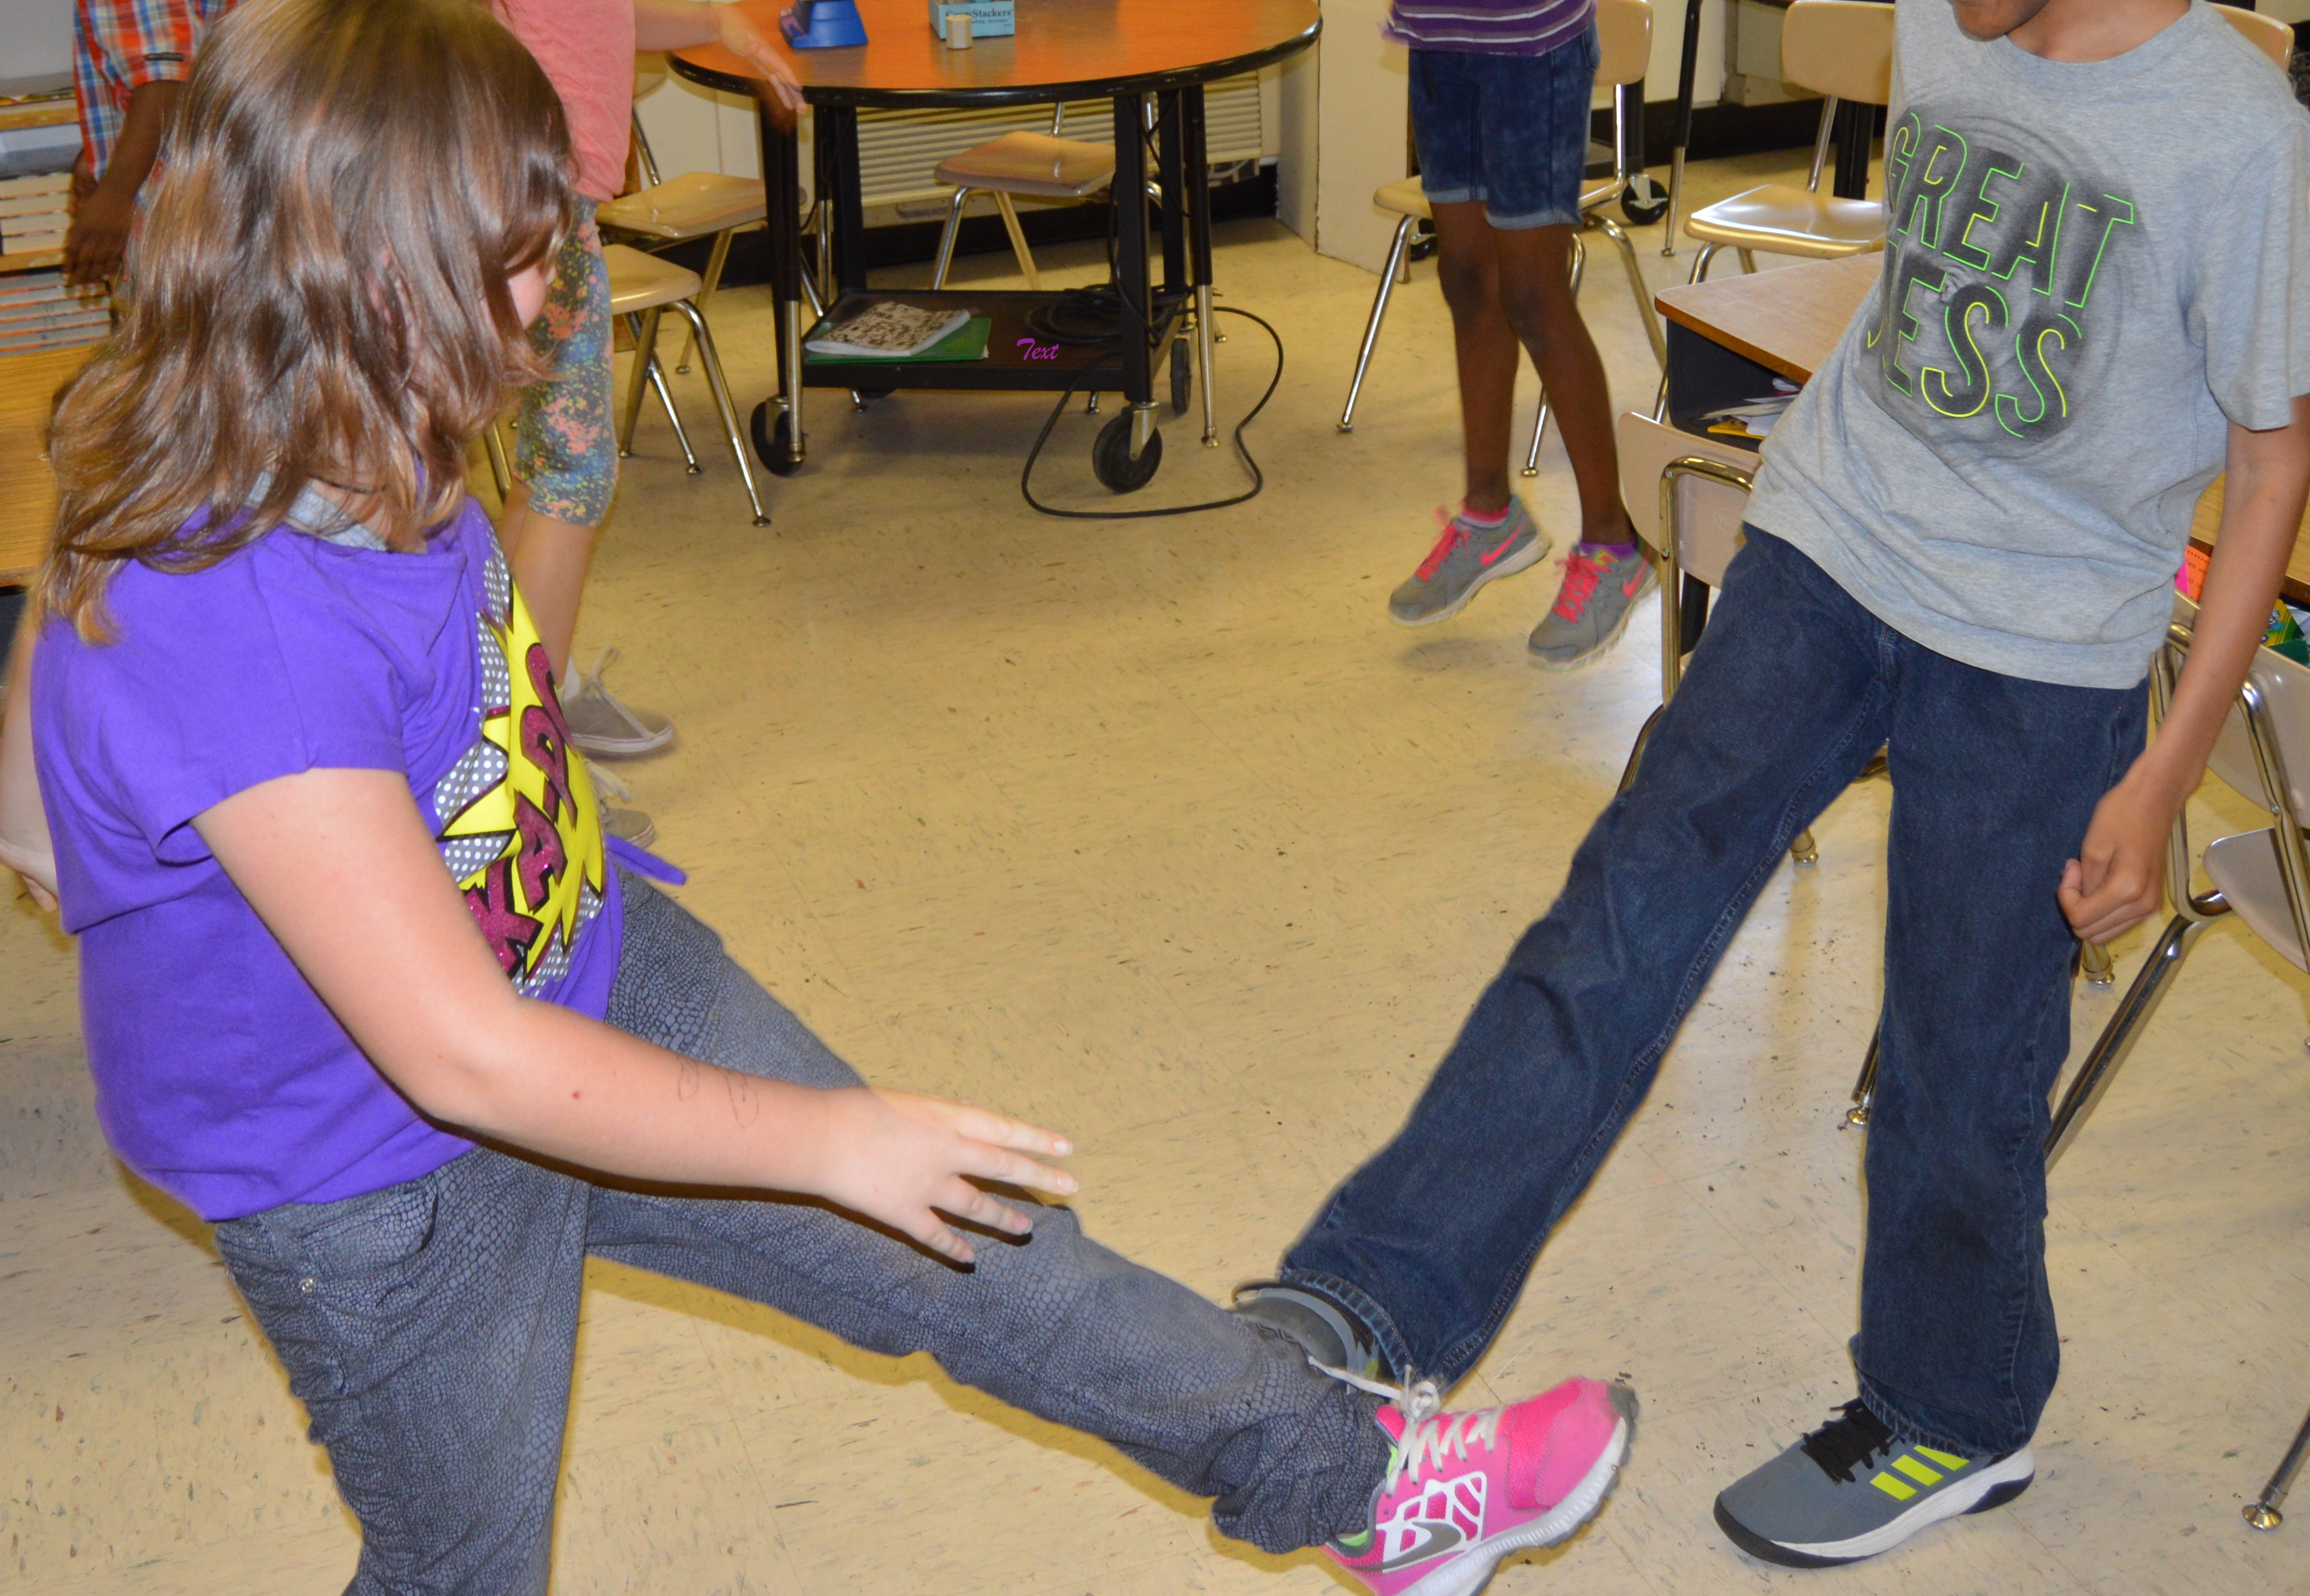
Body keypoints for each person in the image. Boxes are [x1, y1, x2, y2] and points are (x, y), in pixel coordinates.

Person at [0, 1, 1636, 1589]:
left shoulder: (339, 407)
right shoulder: (232, 608)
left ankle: (1358, 1487)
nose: (555, 277)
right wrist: (825, 1140)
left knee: (996, 1265)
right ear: (363, 281)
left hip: (579, 958)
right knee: (463, 1567)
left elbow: (99, 758)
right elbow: (457, 1054)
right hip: (379, 1177)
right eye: (514, 250)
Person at [1240, 0, 2310, 1570]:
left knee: (1962, 1059)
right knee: (1618, 924)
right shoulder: (1953, 19)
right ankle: (1370, 1301)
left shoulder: (2238, 132)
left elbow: (2271, 465)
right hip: (1828, 544)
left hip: (2041, 646)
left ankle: (1958, 1412)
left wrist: (2162, 776)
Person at [487, 0, 801, 849]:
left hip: (537, 199)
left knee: (548, 469)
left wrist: (723, 25)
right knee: (569, 481)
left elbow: (604, 17)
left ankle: (513, 704)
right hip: (536, 203)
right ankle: (529, 773)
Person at [1377, 0, 1651, 670]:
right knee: (1466, 279)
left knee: (1533, 296)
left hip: (1531, 48)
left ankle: (1614, 546)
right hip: (1439, 36)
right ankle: (1489, 514)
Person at [63, 0, 233, 286]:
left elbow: (163, 77)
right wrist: (105, 150)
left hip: (177, 212)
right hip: (232, 194)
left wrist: (117, 194)